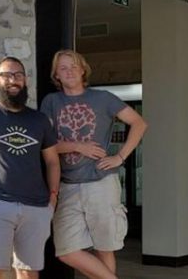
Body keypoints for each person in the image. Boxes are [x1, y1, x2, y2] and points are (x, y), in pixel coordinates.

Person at [41, 50, 147, 279]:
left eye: (73, 66)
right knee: (66, 250)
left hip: (101, 182)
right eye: (63, 68)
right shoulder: (51, 102)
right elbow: (46, 144)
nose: (69, 71)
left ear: (82, 70)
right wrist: (78, 146)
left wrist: (120, 157)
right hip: (67, 185)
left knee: (104, 246)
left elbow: (139, 123)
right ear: (56, 75)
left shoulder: (103, 98)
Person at [0, 56, 60, 279]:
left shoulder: (40, 120)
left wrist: (52, 199)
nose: (13, 80)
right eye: (7, 75)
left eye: (18, 75)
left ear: (24, 80)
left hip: (36, 207)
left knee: (27, 272)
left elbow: (52, 161)